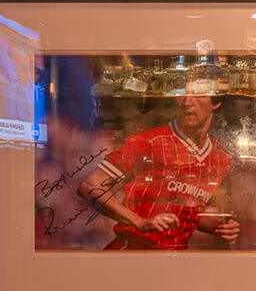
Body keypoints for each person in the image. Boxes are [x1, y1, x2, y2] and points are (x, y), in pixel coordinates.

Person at [76, 91, 241, 250]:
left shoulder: (221, 158)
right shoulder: (148, 142)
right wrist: (139, 222)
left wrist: (219, 227)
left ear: (216, 102)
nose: (187, 102)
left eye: (199, 95)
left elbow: (191, 213)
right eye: (181, 94)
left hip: (175, 259)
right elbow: (90, 186)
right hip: (133, 253)